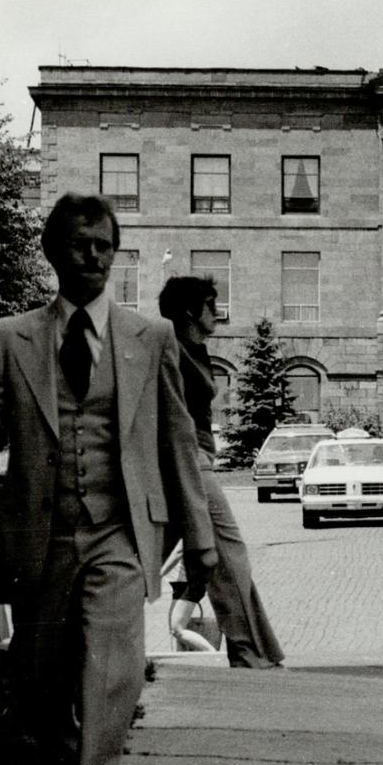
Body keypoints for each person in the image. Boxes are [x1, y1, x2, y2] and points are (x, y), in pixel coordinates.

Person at [0, 192, 216, 765]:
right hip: (41, 536)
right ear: (52, 253)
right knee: (38, 693)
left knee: (111, 674)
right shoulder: (11, 337)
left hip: (120, 533)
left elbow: (178, 441)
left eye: (104, 245)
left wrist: (202, 542)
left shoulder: (149, 338)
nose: (94, 257)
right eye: (79, 244)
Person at [158, 275, 284, 668]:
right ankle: (250, 653)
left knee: (197, 554)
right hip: (188, 461)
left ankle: (253, 651)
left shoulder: (198, 350)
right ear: (189, 312)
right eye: (211, 305)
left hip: (201, 460)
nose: (218, 312)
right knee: (229, 554)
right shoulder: (169, 349)